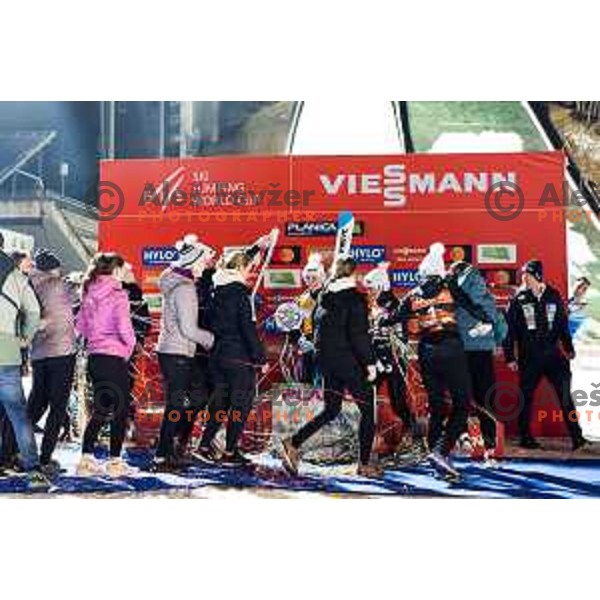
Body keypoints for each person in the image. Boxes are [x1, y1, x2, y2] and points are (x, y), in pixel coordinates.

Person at [382, 244, 492, 480]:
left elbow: (391, 319)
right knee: (462, 404)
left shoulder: (413, 294)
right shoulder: (449, 286)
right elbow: (474, 308)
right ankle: (441, 452)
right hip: (451, 349)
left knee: (438, 407)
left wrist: (379, 317)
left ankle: (433, 456)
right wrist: (485, 321)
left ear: (422, 273)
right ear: (440, 271)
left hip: (426, 352)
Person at [281, 257, 380, 477]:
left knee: (331, 409)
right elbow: (358, 336)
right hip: (347, 361)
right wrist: (371, 363)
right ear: (353, 274)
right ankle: (364, 464)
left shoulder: (325, 297)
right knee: (367, 410)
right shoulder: (354, 299)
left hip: (325, 361)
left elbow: (319, 329)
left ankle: (293, 442)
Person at [195, 245, 270, 467]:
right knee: (240, 404)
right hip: (238, 357)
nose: (250, 273)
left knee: (220, 402)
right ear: (239, 268)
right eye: (249, 268)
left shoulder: (214, 289)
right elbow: (247, 328)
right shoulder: (239, 292)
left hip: (217, 355)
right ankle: (229, 452)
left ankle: (204, 445)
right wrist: (260, 358)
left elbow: (207, 322)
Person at [503, 260, 587, 450]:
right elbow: (509, 331)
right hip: (529, 358)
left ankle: (577, 438)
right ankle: (526, 437)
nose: (524, 279)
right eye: (523, 276)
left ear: (538, 276)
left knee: (565, 395)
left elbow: (561, 324)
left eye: (528, 276)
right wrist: (509, 357)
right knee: (525, 397)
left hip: (553, 356)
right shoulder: (518, 299)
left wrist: (569, 347)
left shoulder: (553, 295)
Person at [152, 235, 216, 472]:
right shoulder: (185, 289)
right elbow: (189, 329)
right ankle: (163, 455)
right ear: (194, 262)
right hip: (177, 351)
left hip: (174, 351)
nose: (204, 267)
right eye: (202, 262)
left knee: (195, 397)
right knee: (176, 404)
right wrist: (211, 340)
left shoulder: (178, 283)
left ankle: (174, 444)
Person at [75, 253, 137, 477]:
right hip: (113, 357)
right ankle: (115, 462)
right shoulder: (117, 294)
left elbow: (80, 327)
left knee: (101, 409)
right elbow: (125, 330)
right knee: (120, 411)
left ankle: (86, 459)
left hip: (95, 358)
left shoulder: (89, 292)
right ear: (115, 270)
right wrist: (128, 350)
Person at [448, 261, 507, 464]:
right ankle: (491, 447)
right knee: (486, 400)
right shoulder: (486, 295)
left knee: (461, 398)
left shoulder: (452, 292)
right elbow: (500, 325)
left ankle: (462, 439)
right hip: (483, 353)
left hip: (460, 352)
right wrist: (495, 341)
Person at [0, 232, 47, 488]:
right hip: (6, 350)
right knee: (18, 414)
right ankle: (34, 471)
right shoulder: (18, 276)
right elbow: (34, 310)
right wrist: (25, 339)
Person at [362, 262, 423, 454]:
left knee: (398, 400)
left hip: (393, 359)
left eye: (371, 288)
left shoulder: (394, 304)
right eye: (367, 288)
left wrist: (387, 356)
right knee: (366, 399)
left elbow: (400, 336)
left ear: (380, 286)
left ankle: (413, 434)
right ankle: (369, 438)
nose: (369, 291)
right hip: (374, 359)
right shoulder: (371, 304)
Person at [27, 249, 77, 476]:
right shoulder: (59, 285)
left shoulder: (28, 285)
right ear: (52, 269)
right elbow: (81, 297)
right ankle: (45, 458)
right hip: (61, 352)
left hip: (38, 354)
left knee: (36, 405)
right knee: (57, 407)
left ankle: (12, 450)